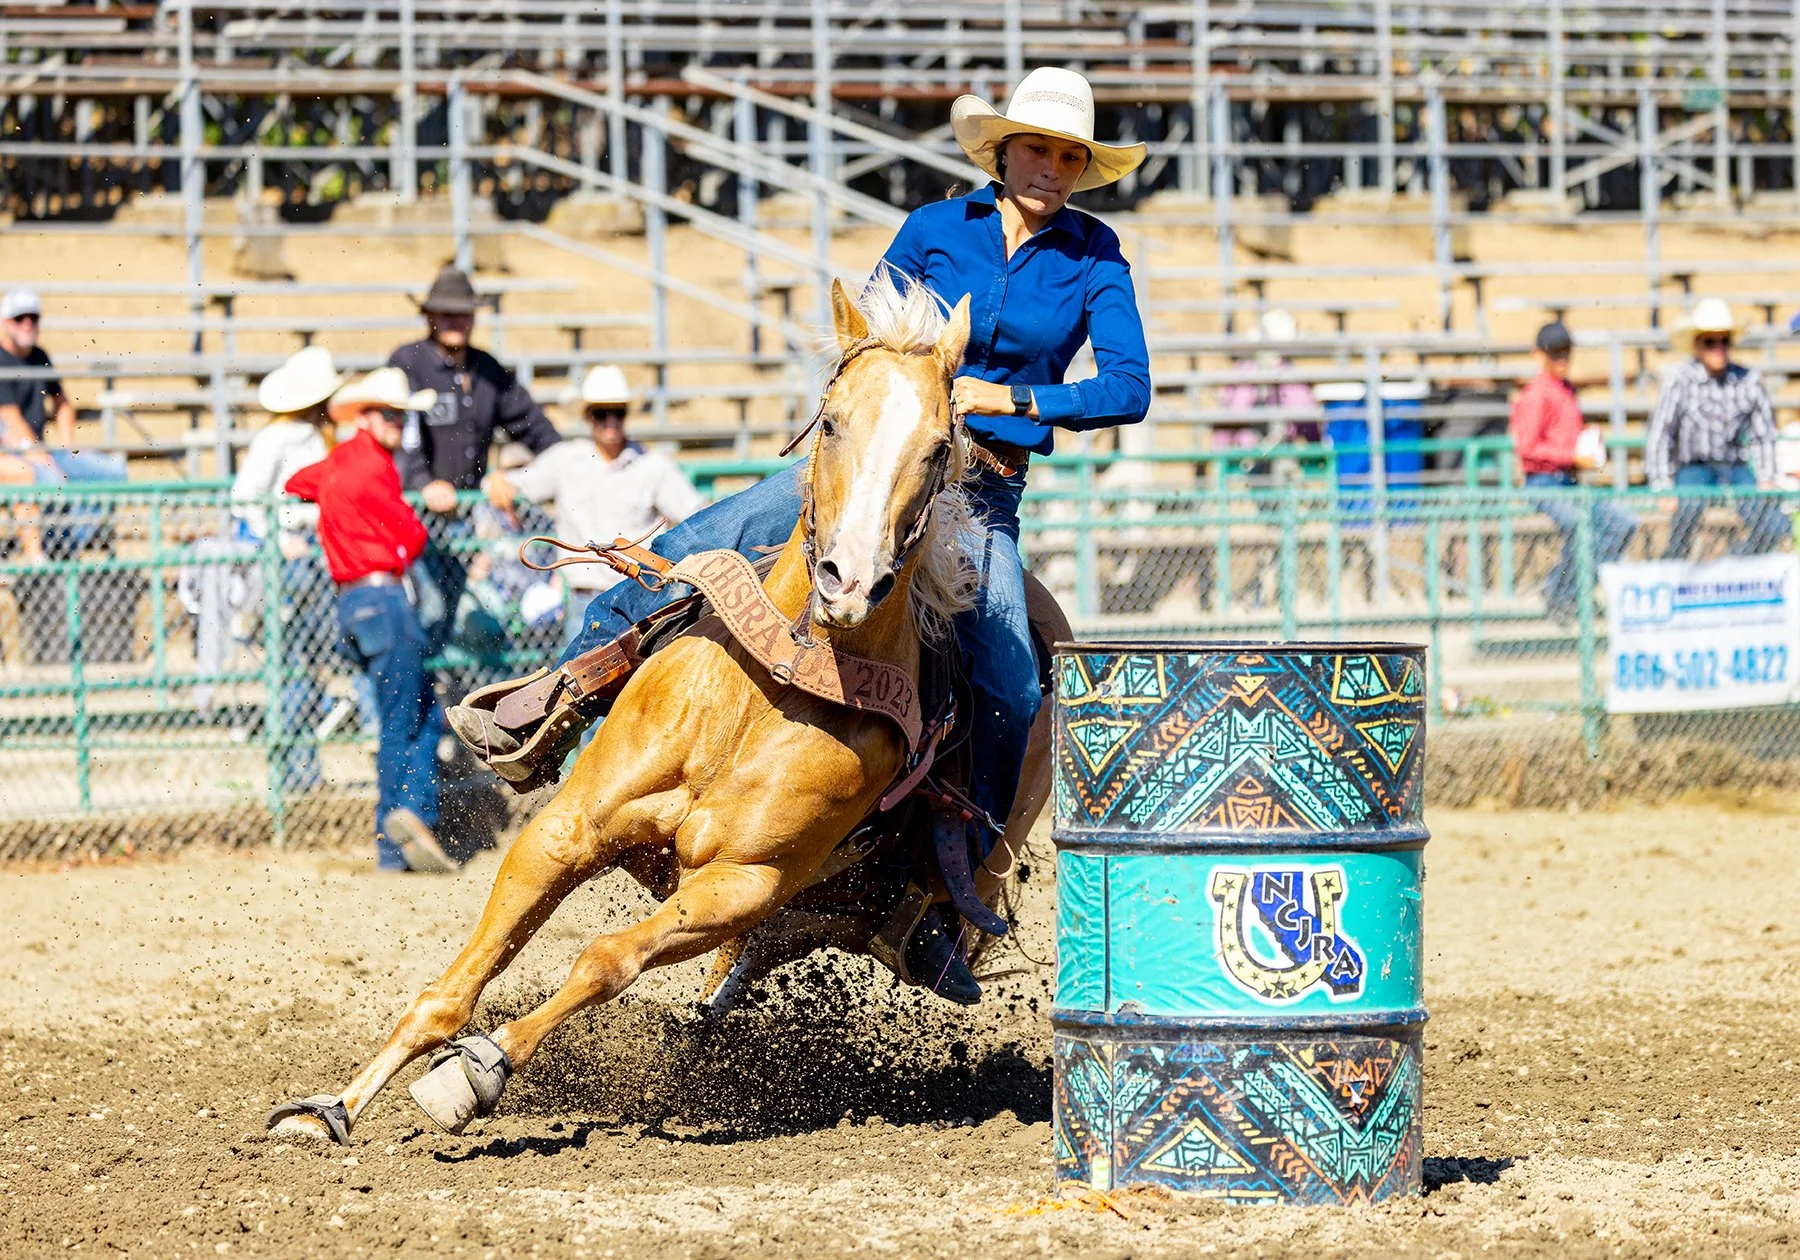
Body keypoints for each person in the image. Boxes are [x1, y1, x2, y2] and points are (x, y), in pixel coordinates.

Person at [449, 66, 1152, 1004]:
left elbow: (1128, 388)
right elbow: (862, 335)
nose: (1053, 169)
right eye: (1038, 148)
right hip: (866, 470)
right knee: (693, 543)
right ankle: (557, 697)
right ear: (1002, 150)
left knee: (1015, 682)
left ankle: (950, 889)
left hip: (977, 496)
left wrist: (1015, 396)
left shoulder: (1096, 255)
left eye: (1071, 155)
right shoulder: (938, 230)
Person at [286, 368, 457, 875]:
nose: (398, 423)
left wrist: (330, 506)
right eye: (390, 414)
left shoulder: (337, 464)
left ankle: (410, 821)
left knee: (415, 712)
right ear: (365, 417)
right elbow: (412, 534)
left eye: (401, 415)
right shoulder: (374, 467)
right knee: (406, 721)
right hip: (385, 601)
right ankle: (399, 829)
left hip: (352, 607)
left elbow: (298, 484)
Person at [387, 266, 564, 647]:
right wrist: (423, 483)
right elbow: (400, 434)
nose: (456, 321)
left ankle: (462, 698)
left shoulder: (487, 369)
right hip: (420, 519)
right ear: (429, 316)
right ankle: (431, 697)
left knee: (479, 622)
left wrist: (560, 467)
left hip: (475, 519)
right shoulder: (409, 362)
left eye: (464, 312)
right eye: (447, 312)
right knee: (429, 612)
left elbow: (534, 427)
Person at [481, 364, 705, 647]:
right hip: (586, 600)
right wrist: (499, 480)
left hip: (638, 597)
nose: (610, 421)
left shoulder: (653, 466)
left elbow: (696, 513)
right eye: (602, 413)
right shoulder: (566, 460)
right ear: (588, 416)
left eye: (618, 412)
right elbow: (508, 484)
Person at [231, 346, 347, 790]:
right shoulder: (280, 439)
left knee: (311, 667)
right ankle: (294, 772)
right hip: (295, 562)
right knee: (298, 665)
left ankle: (303, 771)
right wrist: (280, 538)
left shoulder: (319, 436)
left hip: (318, 558)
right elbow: (245, 497)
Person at [1509, 321, 1635, 622]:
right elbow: (1527, 448)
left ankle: (1573, 592)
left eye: (1565, 352)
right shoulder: (1536, 394)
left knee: (1622, 523)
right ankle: (1560, 594)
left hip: (1567, 482)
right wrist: (1573, 455)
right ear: (1539, 355)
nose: (1562, 359)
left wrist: (1587, 442)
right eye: (1555, 353)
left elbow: (1563, 438)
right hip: (1543, 483)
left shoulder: (1565, 391)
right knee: (1580, 525)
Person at [1647, 299, 1787, 559]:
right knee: (1687, 513)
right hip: (1694, 468)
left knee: (1772, 523)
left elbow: (1763, 435)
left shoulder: (1748, 380)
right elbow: (1660, 434)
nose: (1718, 348)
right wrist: (1663, 485)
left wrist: (1767, 478)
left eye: (1724, 340)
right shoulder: (1679, 381)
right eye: (1710, 341)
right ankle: (1675, 566)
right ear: (1697, 345)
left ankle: (1738, 564)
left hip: (1735, 468)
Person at [0, 288, 121, 562]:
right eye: (20, 318)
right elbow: (9, 419)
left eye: (33, 317)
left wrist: (69, 446)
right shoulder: (0, 359)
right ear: (6, 323)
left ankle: (67, 546)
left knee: (112, 473)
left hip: (40, 453)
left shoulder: (40, 356)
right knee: (52, 482)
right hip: (17, 454)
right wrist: (40, 457)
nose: (28, 323)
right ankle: (54, 554)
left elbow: (63, 403)